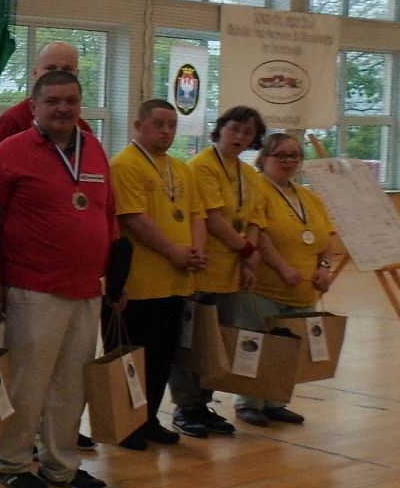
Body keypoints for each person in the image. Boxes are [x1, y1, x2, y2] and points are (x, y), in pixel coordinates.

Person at [0, 70, 113, 488]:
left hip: (87, 289)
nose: (62, 108)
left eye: (70, 101)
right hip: (32, 288)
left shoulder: (94, 148)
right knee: (28, 383)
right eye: (53, 101)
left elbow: (108, 214)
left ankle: (62, 465)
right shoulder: (11, 151)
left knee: (71, 385)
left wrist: (115, 278)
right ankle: (12, 462)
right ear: (33, 106)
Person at [107, 100, 207, 450]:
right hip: (139, 284)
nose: (166, 131)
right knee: (131, 359)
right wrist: (173, 251)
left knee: (162, 357)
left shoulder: (180, 167)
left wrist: (196, 250)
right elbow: (133, 218)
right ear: (138, 125)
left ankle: (148, 419)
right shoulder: (124, 164)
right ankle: (125, 425)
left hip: (175, 282)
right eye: (159, 124)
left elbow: (197, 214)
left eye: (172, 125)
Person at [167, 105, 267, 436]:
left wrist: (248, 260)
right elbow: (214, 218)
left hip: (231, 271)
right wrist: (247, 250)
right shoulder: (201, 166)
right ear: (220, 128)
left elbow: (254, 220)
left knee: (216, 342)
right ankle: (186, 406)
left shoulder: (249, 174)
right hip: (203, 269)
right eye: (234, 129)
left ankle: (203, 403)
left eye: (248, 133)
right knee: (192, 342)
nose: (239, 137)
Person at [230, 133, 341, 426]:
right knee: (256, 344)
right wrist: (282, 268)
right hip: (265, 287)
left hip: (302, 290)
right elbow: (260, 234)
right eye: (281, 155)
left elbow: (325, 238)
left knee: (288, 348)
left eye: (294, 155)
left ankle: (275, 401)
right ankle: (249, 402)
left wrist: (325, 267)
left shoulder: (309, 198)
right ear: (264, 158)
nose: (288, 161)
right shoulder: (256, 189)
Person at [0, 40, 95, 164]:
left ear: (76, 74)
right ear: (35, 73)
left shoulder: (83, 128)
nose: (58, 74)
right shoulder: (13, 121)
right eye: (50, 68)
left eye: (67, 69)